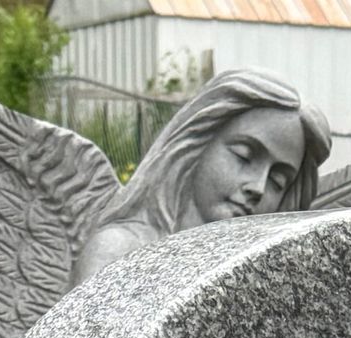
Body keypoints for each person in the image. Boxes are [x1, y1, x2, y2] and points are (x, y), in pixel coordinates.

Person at [74, 72, 334, 282]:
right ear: (199, 143)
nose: (258, 187)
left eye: (278, 182)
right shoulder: (119, 253)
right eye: (244, 156)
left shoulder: (262, 281)